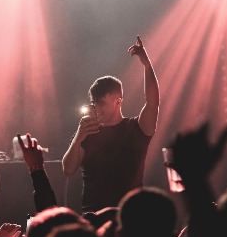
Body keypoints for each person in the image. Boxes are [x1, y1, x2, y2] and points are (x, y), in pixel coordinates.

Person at [62, 36, 160, 213]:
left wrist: (146, 65)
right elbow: (68, 170)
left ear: (118, 101)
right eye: (94, 103)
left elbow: (153, 101)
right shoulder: (88, 132)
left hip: (130, 216)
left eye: (101, 103)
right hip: (93, 216)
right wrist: (78, 137)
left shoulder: (136, 128)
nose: (96, 108)